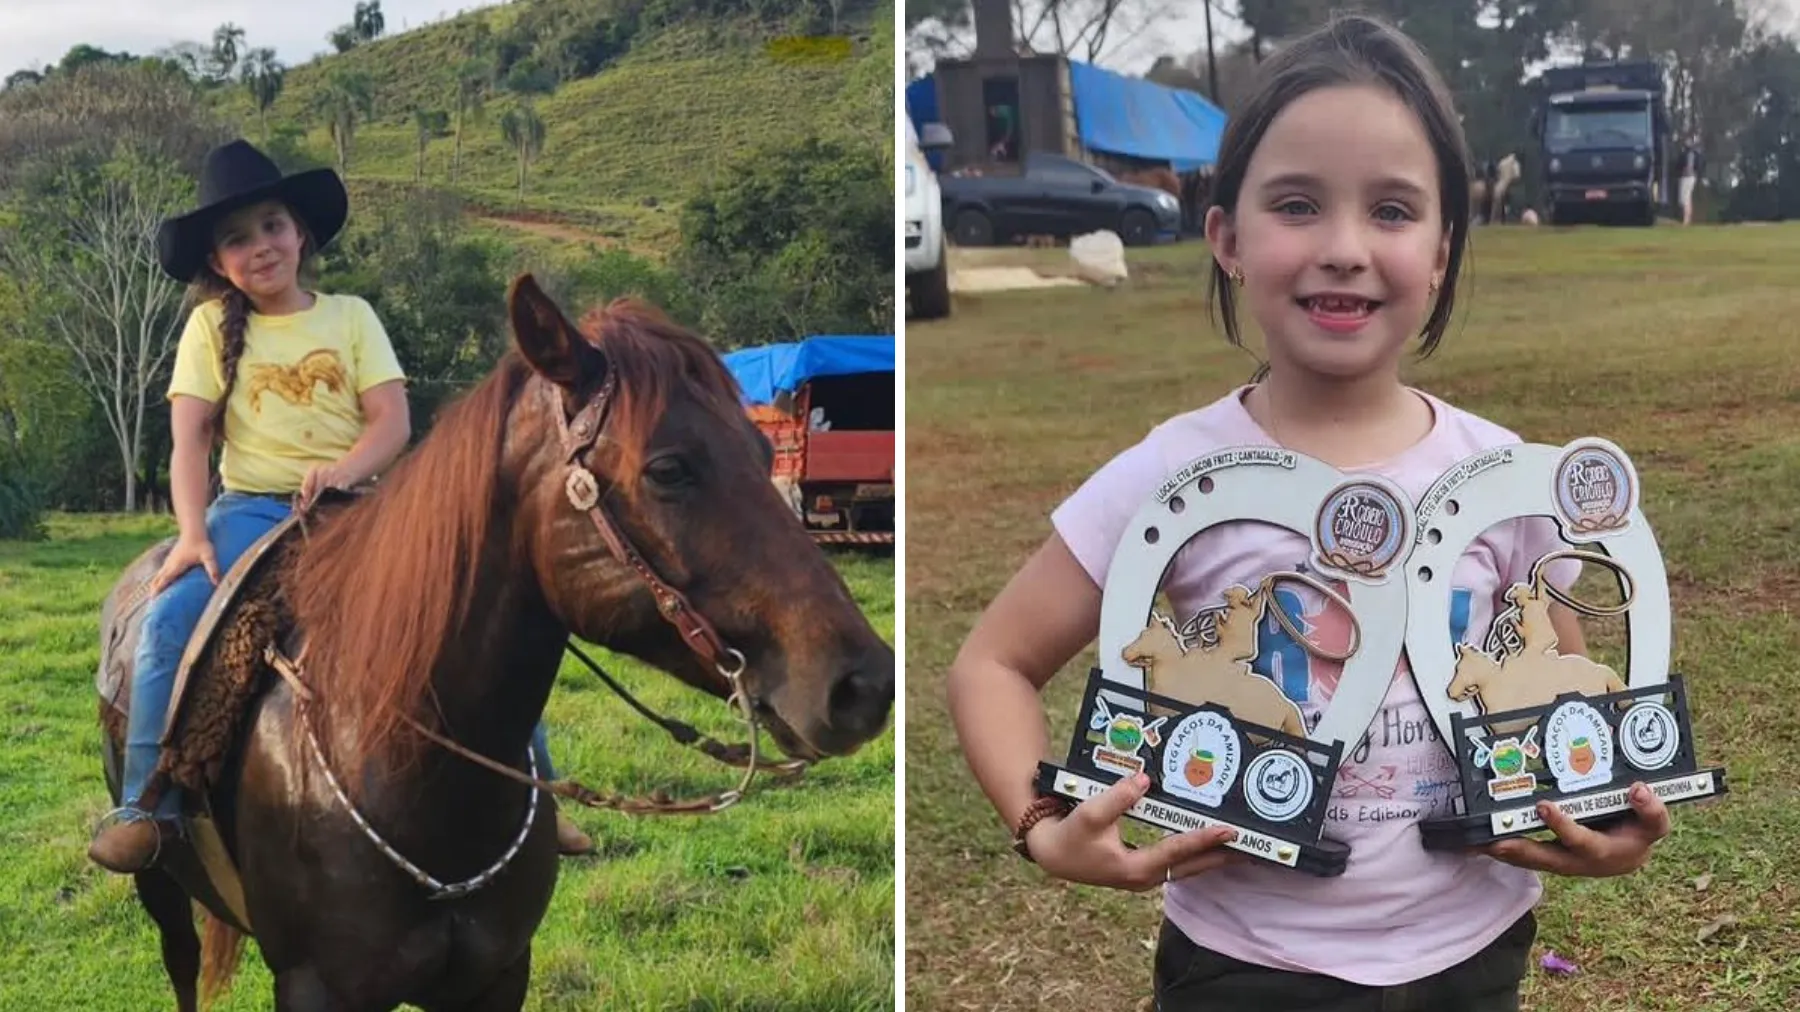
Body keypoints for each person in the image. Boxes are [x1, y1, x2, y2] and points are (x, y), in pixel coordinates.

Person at [945, 16, 1672, 1011]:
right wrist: (1042, 828)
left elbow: (1563, 700)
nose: (1343, 249)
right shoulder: (1173, 476)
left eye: (1391, 210)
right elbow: (991, 664)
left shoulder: (1504, 480)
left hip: (1473, 959)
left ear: (1442, 250)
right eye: (1297, 205)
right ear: (1227, 239)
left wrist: (1608, 818)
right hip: (1244, 970)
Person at [88, 140, 592, 874]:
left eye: (272, 226)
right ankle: (147, 807)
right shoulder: (208, 329)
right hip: (252, 513)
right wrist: (193, 534)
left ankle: (539, 793)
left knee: (477, 613)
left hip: (361, 509)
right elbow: (189, 441)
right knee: (168, 621)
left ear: (300, 233)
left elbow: (392, 420)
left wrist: (343, 472)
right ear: (219, 263)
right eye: (238, 239)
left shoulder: (351, 316)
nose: (261, 246)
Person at [1679, 140, 1701, 225]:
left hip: (1686, 177)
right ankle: (1688, 218)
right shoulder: (1696, 154)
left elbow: (1679, 165)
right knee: (1688, 197)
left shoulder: (1685, 154)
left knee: (1685, 198)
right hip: (1692, 177)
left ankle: (1686, 219)